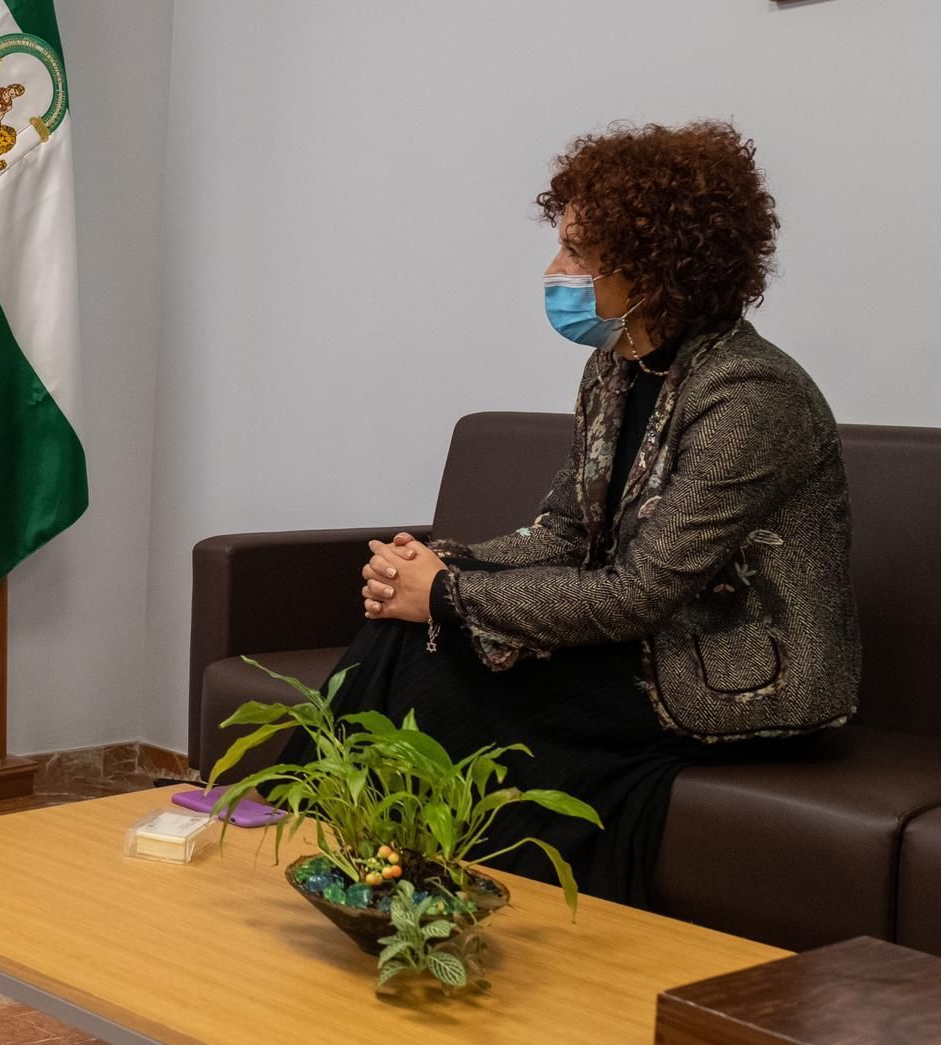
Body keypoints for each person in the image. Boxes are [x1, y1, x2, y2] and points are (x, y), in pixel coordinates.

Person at [284, 120, 860, 907]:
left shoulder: (752, 397)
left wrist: (449, 596)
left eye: (576, 253)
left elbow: (639, 592)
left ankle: (378, 878)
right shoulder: (616, 367)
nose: (555, 271)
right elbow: (562, 532)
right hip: (647, 645)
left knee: (445, 671)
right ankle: (348, 865)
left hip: (739, 677)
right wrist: (434, 567)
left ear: (654, 268)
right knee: (405, 633)